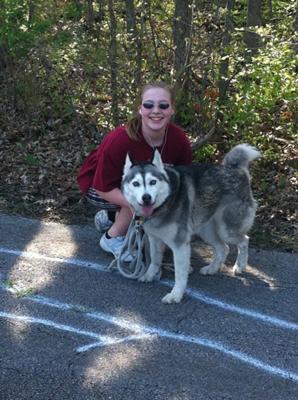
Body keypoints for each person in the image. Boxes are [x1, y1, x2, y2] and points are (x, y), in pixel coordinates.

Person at [77, 82, 192, 259]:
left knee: (163, 239)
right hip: (99, 186)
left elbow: (182, 181)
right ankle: (111, 238)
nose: (156, 110)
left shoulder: (179, 139)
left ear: (172, 109)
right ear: (140, 109)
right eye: (148, 105)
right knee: (141, 198)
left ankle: (110, 216)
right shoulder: (120, 140)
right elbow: (102, 186)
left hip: (135, 186)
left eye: (163, 105)